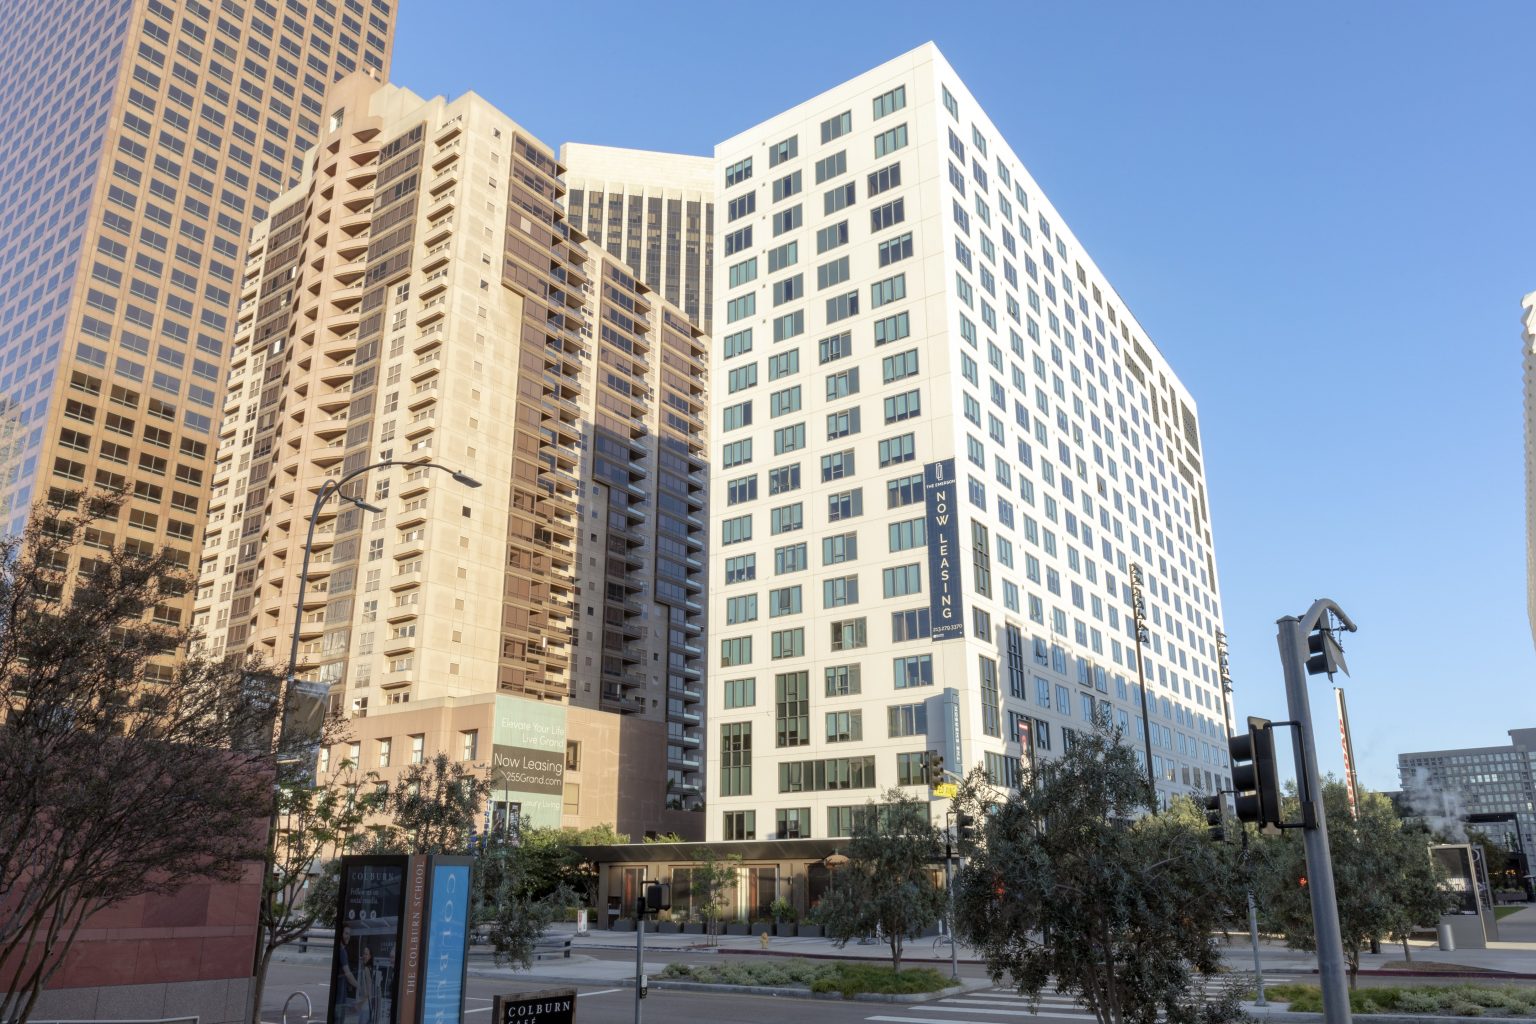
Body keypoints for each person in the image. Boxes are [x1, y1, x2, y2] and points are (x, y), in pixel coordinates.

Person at [355, 944, 381, 1024]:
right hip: (368, 1005)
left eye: (366, 954)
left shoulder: (366, 969)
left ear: (370, 956)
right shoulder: (370, 968)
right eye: (363, 953)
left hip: (365, 1005)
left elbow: (368, 991)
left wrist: (360, 1004)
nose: (364, 956)